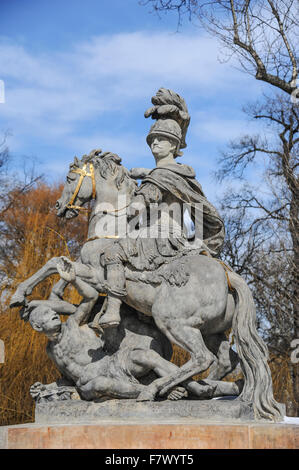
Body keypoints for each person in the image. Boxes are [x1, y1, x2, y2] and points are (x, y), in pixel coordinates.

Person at [27, 257, 237, 402]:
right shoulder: (51, 351)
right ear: (37, 326)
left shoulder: (72, 324)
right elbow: (69, 376)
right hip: (90, 382)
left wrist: (73, 280)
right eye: (45, 314)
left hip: (113, 362)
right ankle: (158, 392)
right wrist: (50, 387)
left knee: (146, 356)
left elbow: (90, 297)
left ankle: (195, 387)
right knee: (98, 384)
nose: (53, 314)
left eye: (51, 311)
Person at [98, 108, 225, 329]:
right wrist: (146, 175)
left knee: (112, 253)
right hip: (176, 236)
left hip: (161, 237)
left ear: (174, 146)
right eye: (153, 139)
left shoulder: (161, 176)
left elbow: (145, 200)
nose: (155, 143)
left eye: (162, 139)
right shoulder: (180, 174)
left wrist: (132, 205)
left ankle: (111, 311)